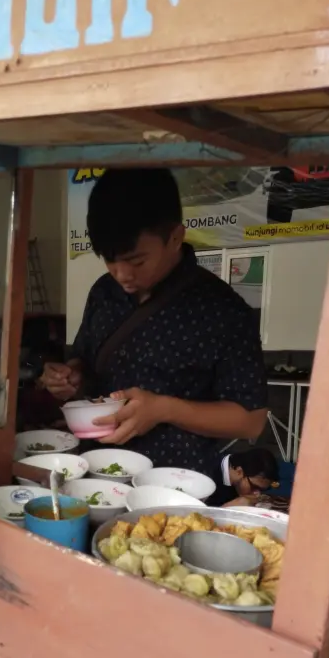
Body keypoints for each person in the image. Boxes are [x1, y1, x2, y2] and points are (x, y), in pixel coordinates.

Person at [41, 168, 268, 474]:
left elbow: (251, 420)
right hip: (95, 472)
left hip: (175, 484)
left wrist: (164, 409)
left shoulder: (222, 310)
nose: (122, 275)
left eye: (137, 261)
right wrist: (71, 378)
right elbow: (87, 363)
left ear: (175, 237)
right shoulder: (104, 292)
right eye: (110, 261)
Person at [208, 447, 280, 507]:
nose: (257, 495)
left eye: (262, 490)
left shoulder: (234, 469)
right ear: (239, 472)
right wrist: (227, 508)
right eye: (254, 487)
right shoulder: (208, 479)